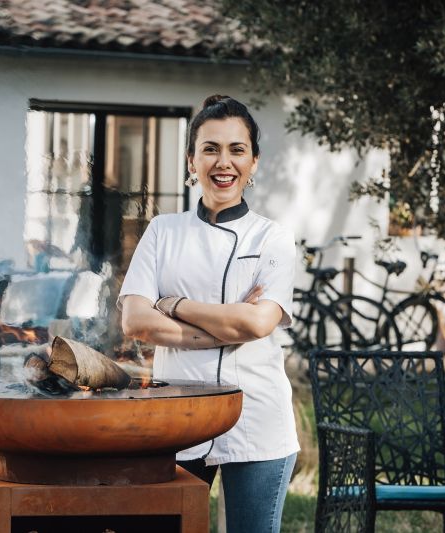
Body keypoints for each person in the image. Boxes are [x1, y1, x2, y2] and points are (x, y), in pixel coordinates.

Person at [118, 95, 299, 533]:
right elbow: (136, 321)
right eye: (211, 149)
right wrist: (228, 323)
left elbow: (258, 324)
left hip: (256, 417)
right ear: (191, 160)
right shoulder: (163, 231)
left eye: (237, 150)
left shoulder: (273, 237)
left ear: (254, 162)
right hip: (177, 419)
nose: (224, 162)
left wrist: (176, 305)